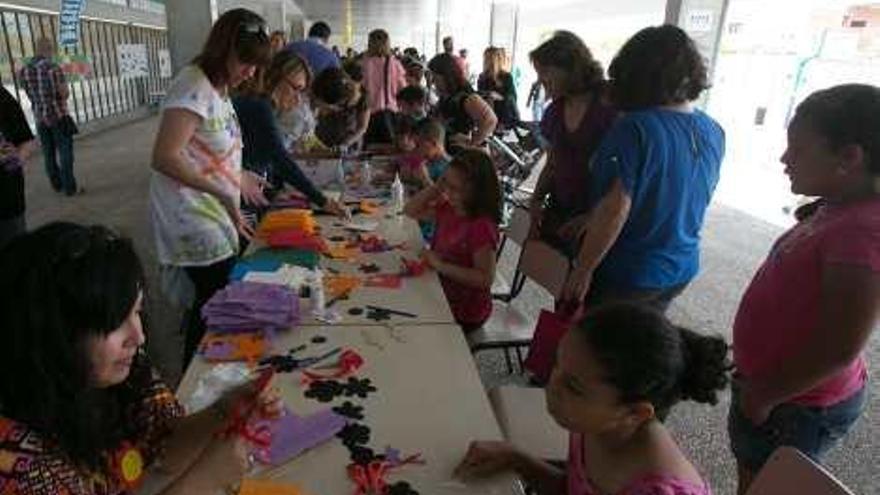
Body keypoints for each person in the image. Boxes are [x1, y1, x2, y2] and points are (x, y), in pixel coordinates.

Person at [0, 222, 283, 494]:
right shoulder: (20, 463)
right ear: (55, 336)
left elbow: (162, 442)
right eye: (113, 324)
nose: (138, 337)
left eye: (136, 312)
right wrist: (202, 483)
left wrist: (222, 411)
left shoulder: (124, 369)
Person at [728, 84, 880, 495]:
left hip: (794, 403)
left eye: (797, 149)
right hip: (776, 391)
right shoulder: (837, 207)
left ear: (850, 157)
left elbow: (839, 346)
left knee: (767, 484)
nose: (784, 159)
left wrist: (764, 394)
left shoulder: (862, 231)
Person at [455, 303, 730, 495]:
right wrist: (516, 458)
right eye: (556, 366)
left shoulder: (659, 490)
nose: (552, 386)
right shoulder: (598, 426)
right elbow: (573, 487)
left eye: (573, 386)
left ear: (635, 413)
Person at [560, 25, 725, 312]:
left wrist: (583, 268)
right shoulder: (713, 129)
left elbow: (616, 206)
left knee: (601, 349)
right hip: (681, 264)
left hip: (629, 271)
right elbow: (678, 192)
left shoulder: (635, 128)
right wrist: (592, 217)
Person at [150, 8, 272, 366]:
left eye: (256, 64)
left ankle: (203, 379)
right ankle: (195, 389)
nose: (250, 72)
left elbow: (213, 151)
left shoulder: (219, 88)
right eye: (246, 61)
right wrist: (223, 192)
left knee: (214, 303)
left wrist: (239, 179)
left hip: (216, 209)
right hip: (192, 215)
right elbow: (165, 156)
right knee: (213, 309)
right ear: (223, 48)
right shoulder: (193, 86)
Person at [526, 32, 617, 257]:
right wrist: (536, 199)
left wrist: (594, 217)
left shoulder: (608, 104)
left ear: (569, 67)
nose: (541, 80)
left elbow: (625, 179)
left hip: (600, 215)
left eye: (545, 72)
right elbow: (552, 163)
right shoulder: (555, 111)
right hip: (563, 208)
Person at [232, 50, 346, 219]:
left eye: (301, 91)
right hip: (236, 192)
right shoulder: (258, 107)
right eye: (296, 88)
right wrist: (322, 200)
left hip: (247, 188)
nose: (297, 98)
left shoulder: (264, 106)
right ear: (278, 77)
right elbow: (279, 157)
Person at [404, 149, 500, 332]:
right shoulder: (449, 207)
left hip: (464, 312)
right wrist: (437, 187)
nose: (447, 193)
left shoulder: (481, 226)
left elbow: (485, 279)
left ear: (476, 191)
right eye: (446, 184)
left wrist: (440, 265)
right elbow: (410, 211)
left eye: (455, 189)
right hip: (439, 290)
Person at [18, 37, 80, 196]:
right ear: (48, 49)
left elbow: (29, 94)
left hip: (40, 118)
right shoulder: (54, 68)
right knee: (65, 152)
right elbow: (64, 94)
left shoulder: (24, 70)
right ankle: (70, 188)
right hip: (58, 117)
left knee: (48, 153)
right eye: (51, 49)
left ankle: (56, 184)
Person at [427, 53, 497, 150]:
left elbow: (491, 120)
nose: (433, 81)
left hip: (460, 154)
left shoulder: (465, 97)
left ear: (446, 75)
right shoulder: (447, 96)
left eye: (435, 77)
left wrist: (472, 143)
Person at [0, 86, 35, 247]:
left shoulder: (2, 97)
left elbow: (26, 140)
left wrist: (16, 160)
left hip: (6, 199)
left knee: (15, 253)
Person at [360, 29, 407, 146]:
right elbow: (403, 90)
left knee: (369, 147)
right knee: (388, 148)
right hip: (389, 112)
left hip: (367, 112)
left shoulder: (363, 63)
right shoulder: (395, 64)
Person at [312, 67, 371, 150]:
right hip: (325, 136)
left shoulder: (363, 99)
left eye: (354, 83)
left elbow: (362, 127)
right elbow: (320, 109)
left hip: (348, 142)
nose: (352, 87)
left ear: (360, 83)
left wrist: (346, 144)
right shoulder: (334, 90)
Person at [478, 46, 519, 129]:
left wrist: (498, 96)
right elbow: (479, 95)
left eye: (488, 58)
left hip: (504, 117)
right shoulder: (482, 77)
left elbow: (512, 97)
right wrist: (488, 94)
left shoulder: (506, 77)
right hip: (487, 115)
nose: (485, 61)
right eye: (485, 58)